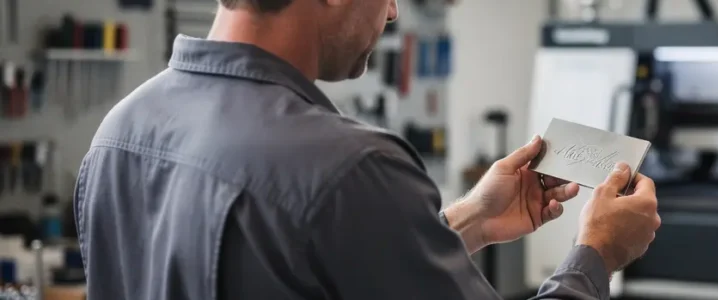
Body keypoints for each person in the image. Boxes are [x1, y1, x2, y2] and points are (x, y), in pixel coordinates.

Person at [72, 0, 661, 299]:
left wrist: (470, 220)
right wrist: (596, 254)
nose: (394, 10)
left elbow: (309, 272)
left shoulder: (120, 132)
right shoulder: (351, 167)